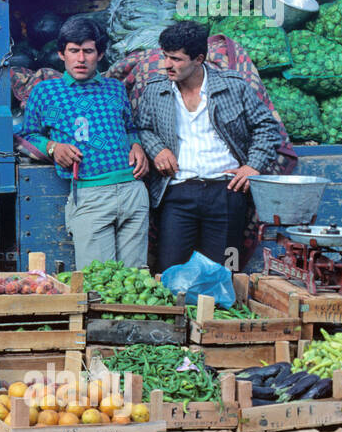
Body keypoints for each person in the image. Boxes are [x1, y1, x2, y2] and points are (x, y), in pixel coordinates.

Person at [134, 20, 282, 271]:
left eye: (177, 59)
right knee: (170, 272)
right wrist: (157, 148)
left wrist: (252, 166)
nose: (167, 65)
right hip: (177, 192)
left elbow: (267, 127)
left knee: (222, 273)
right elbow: (143, 128)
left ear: (198, 59)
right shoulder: (156, 90)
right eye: (165, 57)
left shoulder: (233, 87)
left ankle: (217, 310)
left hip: (225, 191)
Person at [18, 17, 150, 269]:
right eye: (74, 51)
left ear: (99, 54)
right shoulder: (45, 92)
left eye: (88, 51)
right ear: (61, 53)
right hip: (90, 194)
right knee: (98, 282)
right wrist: (53, 147)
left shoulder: (115, 88)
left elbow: (130, 127)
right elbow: (28, 135)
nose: (81, 59)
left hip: (133, 191)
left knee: (136, 281)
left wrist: (136, 145)